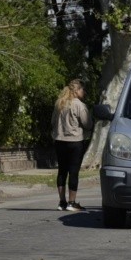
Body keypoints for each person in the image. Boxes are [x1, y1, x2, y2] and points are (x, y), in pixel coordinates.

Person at [51, 79, 93, 211]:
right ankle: (72, 202)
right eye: (82, 90)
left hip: (59, 141)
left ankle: (61, 202)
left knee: (62, 171)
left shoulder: (59, 103)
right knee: (73, 172)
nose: (84, 92)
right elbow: (87, 123)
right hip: (75, 141)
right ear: (76, 91)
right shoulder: (79, 105)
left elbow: (52, 121)